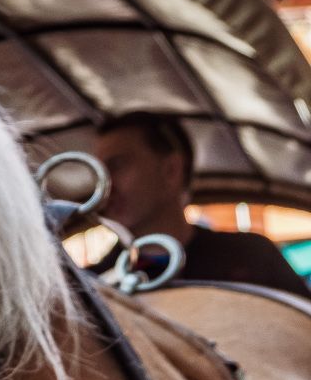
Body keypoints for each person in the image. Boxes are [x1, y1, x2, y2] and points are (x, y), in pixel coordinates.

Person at [95, 117, 311, 296]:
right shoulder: (94, 285)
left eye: (117, 166)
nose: (104, 184)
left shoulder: (251, 257)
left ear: (171, 170)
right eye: (98, 170)